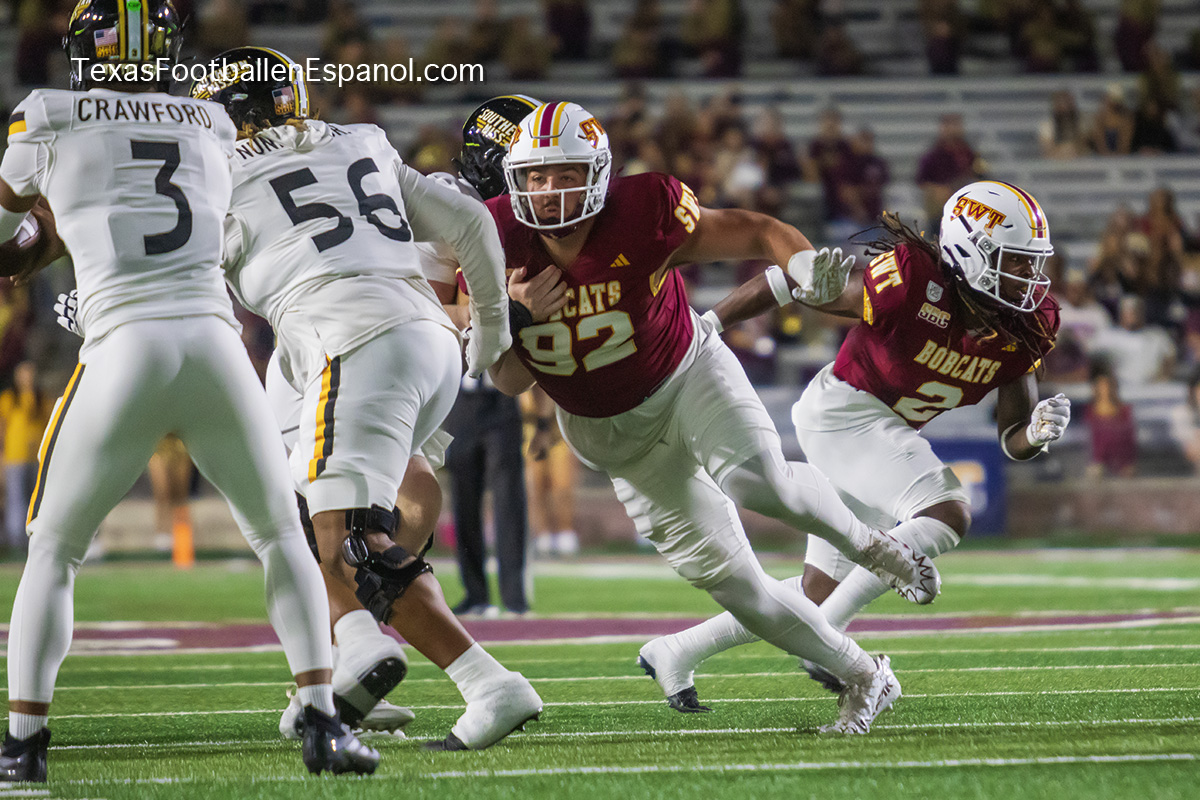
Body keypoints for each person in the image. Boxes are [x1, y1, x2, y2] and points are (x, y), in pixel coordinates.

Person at [0, 2, 376, 781]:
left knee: (54, 548)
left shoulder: (47, 114)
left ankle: (24, 744)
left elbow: (13, 234)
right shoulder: (209, 121)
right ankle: (323, 723)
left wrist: (43, 238)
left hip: (125, 344)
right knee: (280, 535)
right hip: (215, 345)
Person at [487, 100, 941, 735]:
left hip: (687, 373)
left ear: (599, 175)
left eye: (565, 174)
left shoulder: (642, 211)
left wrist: (802, 265)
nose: (549, 191)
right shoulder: (492, 238)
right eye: (536, 177)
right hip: (609, 431)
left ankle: (869, 544)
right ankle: (865, 675)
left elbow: (756, 230)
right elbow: (507, 379)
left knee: (757, 482)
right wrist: (514, 315)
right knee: (735, 585)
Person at [190, 52, 542, 751]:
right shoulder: (362, 141)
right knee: (299, 520)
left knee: (346, 541)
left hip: (348, 339)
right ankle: (330, 681)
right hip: (411, 340)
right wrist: (490, 329)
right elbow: (470, 222)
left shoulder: (216, 176)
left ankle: (483, 682)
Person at [636, 180, 1071, 705]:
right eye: (1015, 260)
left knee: (817, 591)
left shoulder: (1026, 324)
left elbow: (1011, 436)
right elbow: (794, 283)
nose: (1029, 276)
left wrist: (1035, 434)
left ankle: (676, 650)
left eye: (1032, 262)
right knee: (946, 510)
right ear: (969, 251)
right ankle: (829, 642)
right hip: (845, 412)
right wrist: (710, 323)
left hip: (879, 432)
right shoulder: (916, 284)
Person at [429, 95, 546, 617]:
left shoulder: (515, 226)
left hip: (501, 389)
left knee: (509, 498)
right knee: (462, 499)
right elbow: (432, 308)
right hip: (458, 389)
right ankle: (476, 594)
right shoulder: (451, 210)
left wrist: (542, 412)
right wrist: (497, 307)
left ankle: (515, 597)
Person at [0, 361, 51, 554]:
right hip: (15, 457)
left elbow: (48, 424)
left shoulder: (41, 398)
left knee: (35, 499)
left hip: (36, 458)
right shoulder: (9, 399)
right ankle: (16, 541)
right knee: (16, 500)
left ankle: (34, 539)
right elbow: (3, 428)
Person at [524, 385, 580, 558]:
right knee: (535, 487)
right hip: (531, 431)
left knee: (562, 485)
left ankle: (565, 531)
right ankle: (541, 533)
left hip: (559, 431)